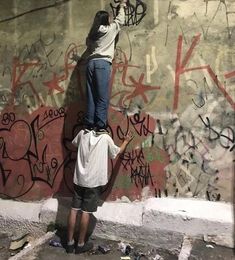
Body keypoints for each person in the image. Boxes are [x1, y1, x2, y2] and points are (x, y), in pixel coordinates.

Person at [66, 129, 133, 254]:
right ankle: (80, 244)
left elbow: (73, 144)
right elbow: (116, 152)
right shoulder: (105, 138)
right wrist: (126, 141)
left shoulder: (82, 133)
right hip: (93, 182)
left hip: (79, 179)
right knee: (86, 212)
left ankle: (69, 244)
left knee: (74, 210)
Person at [84, 0, 127, 134]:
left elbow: (89, 47)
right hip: (102, 64)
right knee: (102, 96)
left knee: (91, 95)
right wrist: (122, 5)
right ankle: (101, 126)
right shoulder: (110, 29)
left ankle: (89, 125)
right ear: (105, 19)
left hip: (90, 63)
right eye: (108, 17)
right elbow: (120, 20)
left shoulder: (93, 33)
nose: (110, 19)